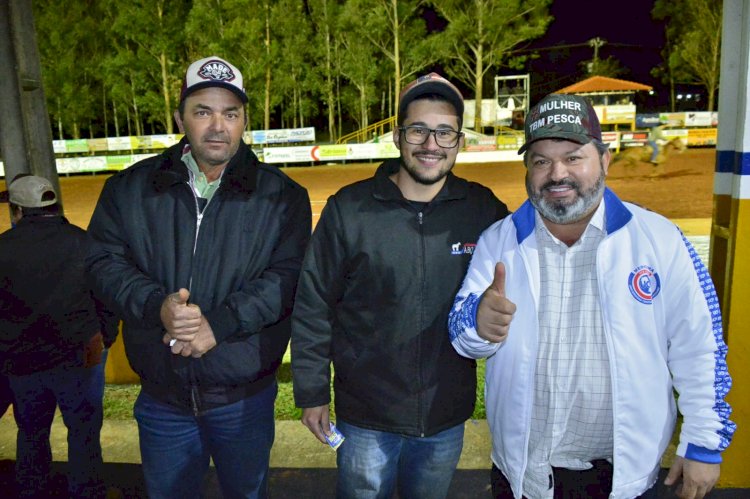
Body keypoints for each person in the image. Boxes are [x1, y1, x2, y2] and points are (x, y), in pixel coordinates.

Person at [448, 93, 735, 499]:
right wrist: (478, 322)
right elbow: (460, 333)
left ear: (604, 160)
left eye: (572, 157)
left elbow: (700, 345)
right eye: (541, 160)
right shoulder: (499, 241)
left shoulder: (660, 239)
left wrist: (705, 440)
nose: (556, 173)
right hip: (524, 474)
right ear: (527, 170)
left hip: (623, 476)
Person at [86, 56, 311, 499]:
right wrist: (158, 307)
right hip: (162, 398)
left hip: (244, 400)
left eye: (230, 114)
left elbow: (288, 278)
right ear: (180, 118)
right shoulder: (129, 189)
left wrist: (218, 324)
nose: (217, 126)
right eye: (202, 111)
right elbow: (102, 263)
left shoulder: (284, 196)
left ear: (244, 119)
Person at [291, 73, 509, 498]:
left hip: (445, 416)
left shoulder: (482, 209)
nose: (431, 144)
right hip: (364, 419)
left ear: (459, 141)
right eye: (418, 130)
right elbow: (313, 303)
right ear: (397, 136)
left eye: (444, 132)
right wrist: (312, 391)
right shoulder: (349, 209)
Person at [0, 174, 118, 498]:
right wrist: (106, 336)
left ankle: (31, 490)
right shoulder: (84, 242)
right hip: (79, 358)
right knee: (83, 434)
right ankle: (86, 491)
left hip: (23, 362)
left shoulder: (3, 248)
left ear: (19, 210)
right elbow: (107, 297)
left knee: (31, 433)